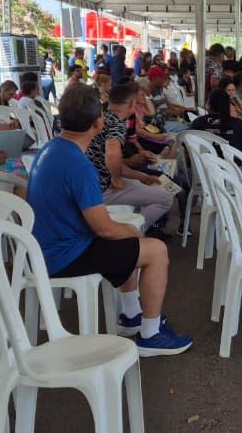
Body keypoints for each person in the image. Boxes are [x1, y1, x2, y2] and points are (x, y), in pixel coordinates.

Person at [26, 83, 192, 355]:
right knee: (154, 250)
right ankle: (150, 335)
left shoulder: (51, 149)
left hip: (48, 248)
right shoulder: (79, 166)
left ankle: (131, 315)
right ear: (98, 122)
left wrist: (128, 233)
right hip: (64, 256)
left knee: (129, 242)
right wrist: (132, 232)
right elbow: (104, 229)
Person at [89, 84, 175, 239]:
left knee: (138, 183)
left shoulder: (102, 117)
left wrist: (143, 177)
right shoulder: (116, 123)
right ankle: (132, 233)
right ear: (130, 104)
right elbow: (113, 154)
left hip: (92, 184)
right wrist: (115, 179)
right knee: (166, 199)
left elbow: (115, 163)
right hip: (101, 189)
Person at [191, 88, 242, 157]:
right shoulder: (237, 123)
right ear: (228, 106)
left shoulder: (198, 122)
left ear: (209, 106)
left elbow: (187, 143)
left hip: (204, 166)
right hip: (232, 167)